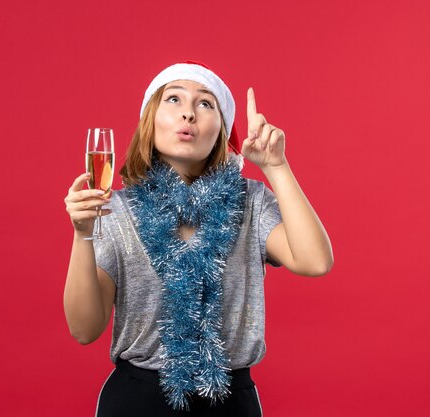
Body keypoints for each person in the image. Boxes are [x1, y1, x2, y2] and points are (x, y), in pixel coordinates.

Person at [63, 62, 334, 417]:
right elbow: (84, 329)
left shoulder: (250, 202)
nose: (188, 113)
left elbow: (315, 261)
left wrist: (276, 168)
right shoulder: (115, 209)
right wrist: (82, 235)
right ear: (150, 120)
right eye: (173, 99)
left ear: (222, 130)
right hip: (137, 401)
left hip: (229, 400)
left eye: (206, 103)